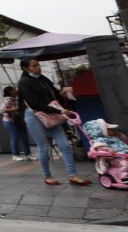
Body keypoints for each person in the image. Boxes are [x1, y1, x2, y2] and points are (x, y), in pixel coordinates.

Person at [18, 58, 90, 186]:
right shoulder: (24, 82)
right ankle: (47, 176)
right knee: (43, 147)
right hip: (35, 114)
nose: (38, 67)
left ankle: (73, 175)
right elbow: (34, 103)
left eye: (38, 64)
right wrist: (58, 111)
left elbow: (54, 93)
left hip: (51, 113)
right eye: (34, 66)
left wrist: (62, 93)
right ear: (25, 68)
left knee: (65, 145)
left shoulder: (42, 78)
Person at [0, 86, 31, 161]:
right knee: (15, 136)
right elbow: (2, 110)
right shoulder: (8, 100)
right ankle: (15, 155)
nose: (16, 90)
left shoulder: (17, 99)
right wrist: (17, 108)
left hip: (19, 120)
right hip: (9, 121)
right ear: (10, 91)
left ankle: (28, 154)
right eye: (14, 89)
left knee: (24, 136)